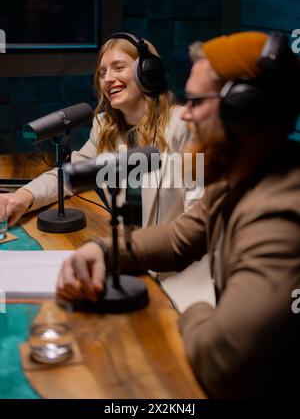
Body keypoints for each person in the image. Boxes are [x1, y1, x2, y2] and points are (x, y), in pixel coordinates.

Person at [56, 31, 300, 398]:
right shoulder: (241, 176)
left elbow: (223, 361)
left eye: (197, 102)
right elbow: (180, 235)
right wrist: (104, 251)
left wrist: (194, 312)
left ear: (245, 111)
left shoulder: (278, 217)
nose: (185, 114)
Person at [0, 32, 211, 309]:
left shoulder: (184, 128)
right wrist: (22, 197)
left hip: (182, 278)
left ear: (149, 72)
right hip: (129, 268)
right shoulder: (105, 128)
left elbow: (199, 223)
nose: (108, 78)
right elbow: (70, 175)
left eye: (119, 67)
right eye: (102, 72)